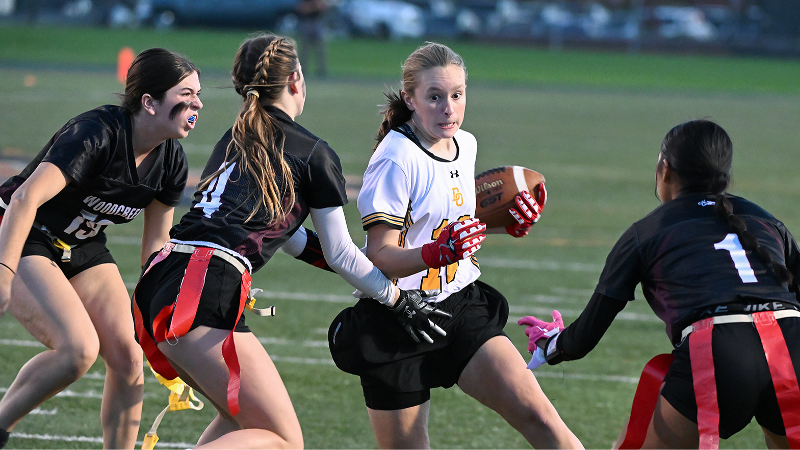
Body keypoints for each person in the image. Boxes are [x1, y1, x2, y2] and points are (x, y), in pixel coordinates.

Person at [132, 34, 483, 449]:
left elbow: (289, 236)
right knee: (283, 440)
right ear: (296, 79)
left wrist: (361, 272)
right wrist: (397, 299)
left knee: (241, 419)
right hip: (202, 287)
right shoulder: (314, 152)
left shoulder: (236, 135)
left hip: (164, 276)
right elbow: (341, 252)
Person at [327, 42, 583, 449]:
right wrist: (437, 253)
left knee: (543, 420)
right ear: (410, 99)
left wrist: (502, 225)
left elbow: (454, 229)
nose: (448, 108)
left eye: (457, 95)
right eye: (434, 97)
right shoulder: (395, 158)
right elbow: (377, 258)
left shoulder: (467, 144)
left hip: (461, 305)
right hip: (398, 316)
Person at [520, 119, 800, 449]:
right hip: (792, 345)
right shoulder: (768, 221)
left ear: (665, 170)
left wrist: (551, 345)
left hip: (718, 352)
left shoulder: (647, 232)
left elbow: (584, 338)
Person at [0, 48, 201, 449]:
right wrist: (3, 274)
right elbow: (24, 200)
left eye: (198, 94)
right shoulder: (98, 132)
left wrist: (163, 311)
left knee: (129, 358)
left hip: (81, 242)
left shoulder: (172, 161)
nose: (197, 103)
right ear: (148, 101)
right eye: (185, 94)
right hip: (23, 229)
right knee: (78, 350)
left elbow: (156, 248)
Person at [295, 0, 329, 78]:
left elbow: (323, 7)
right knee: (305, 48)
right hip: (306, 22)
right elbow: (302, 9)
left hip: (317, 21)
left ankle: (321, 70)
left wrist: (315, 7)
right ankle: (302, 69)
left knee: (320, 48)